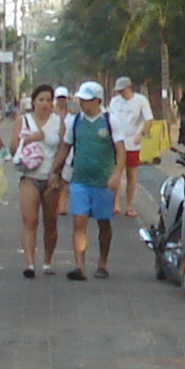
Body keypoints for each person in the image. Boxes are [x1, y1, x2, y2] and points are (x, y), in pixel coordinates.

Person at [7, 84, 66, 279]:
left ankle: (47, 261)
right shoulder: (23, 121)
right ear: (33, 102)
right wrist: (30, 139)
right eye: (41, 100)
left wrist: (56, 172)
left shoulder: (58, 122)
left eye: (49, 100)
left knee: (50, 222)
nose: (45, 104)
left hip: (50, 179)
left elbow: (63, 149)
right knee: (30, 221)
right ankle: (30, 263)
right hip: (30, 178)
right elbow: (13, 148)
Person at [61, 76, 119, 279]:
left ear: (98, 101)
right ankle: (80, 266)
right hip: (80, 180)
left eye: (87, 100)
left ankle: (102, 263)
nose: (83, 104)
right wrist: (55, 171)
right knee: (79, 221)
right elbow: (65, 147)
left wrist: (117, 175)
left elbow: (120, 150)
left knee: (103, 223)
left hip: (103, 181)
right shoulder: (75, 121)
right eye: (81, 100)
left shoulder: (110, 121)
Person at [107, 75, 154, 213]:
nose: (121, 93)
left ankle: (129, 205)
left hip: (132, 142)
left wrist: (141, 134)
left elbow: (149, 120)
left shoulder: (140, 101)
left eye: (123, 90)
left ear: (129, 88)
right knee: (116, 173)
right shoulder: (115, 102)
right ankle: (115, 203)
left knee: (131, 175)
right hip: (117, 142)